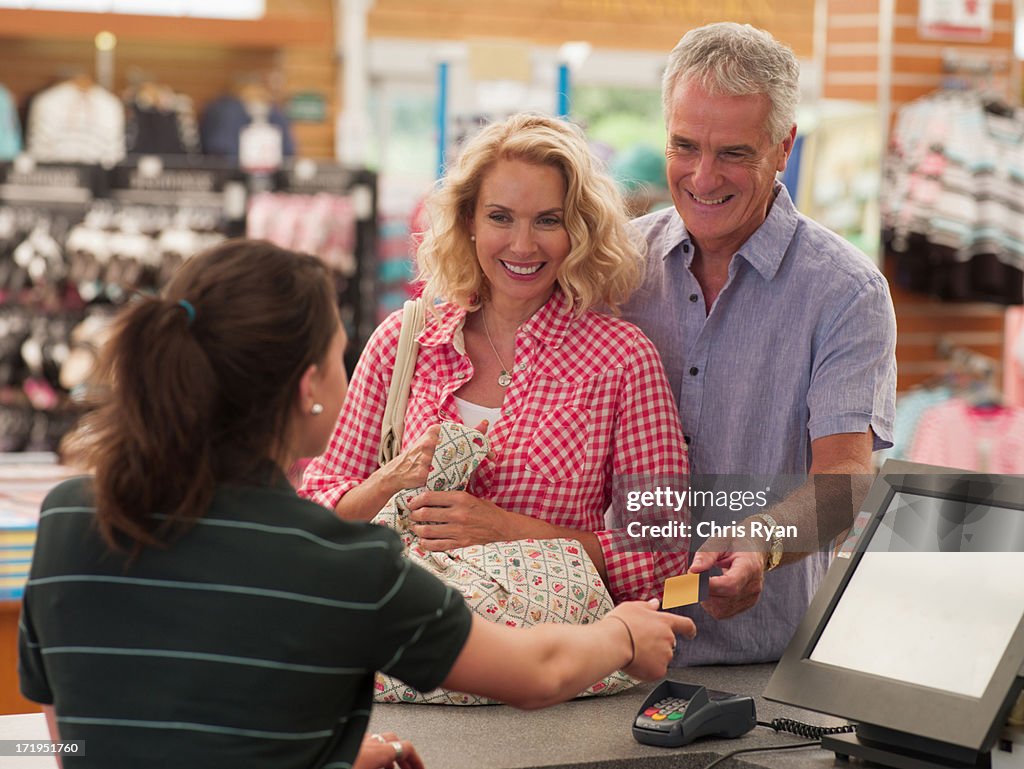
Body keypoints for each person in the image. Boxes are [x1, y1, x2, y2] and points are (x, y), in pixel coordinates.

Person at [17, 240, 694, 769]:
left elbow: (75, 738)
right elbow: (534, 673)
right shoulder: (334, 562)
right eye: (342, 355)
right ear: (309, 385)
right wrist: (623, 633)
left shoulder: (72, 517)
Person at [301, 113, 692, 604]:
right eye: (500, 217)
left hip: (550, 669)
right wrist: (391, 478)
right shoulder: (403, 342)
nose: (523, 245)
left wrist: (506, 530)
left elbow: (663, 556)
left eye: (548, 220)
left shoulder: (621, 359)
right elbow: (316, 523)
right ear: (469, 220)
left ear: (579, 230)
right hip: (401, 663)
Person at [621, 22, 897, 664]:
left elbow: (847, 480)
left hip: (762, 666)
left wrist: (763, 541)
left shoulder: (846, 292)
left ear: (783, 147)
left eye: (734, 153)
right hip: (611, 651)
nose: (702, 176)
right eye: (684, 145)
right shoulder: (615, 267)